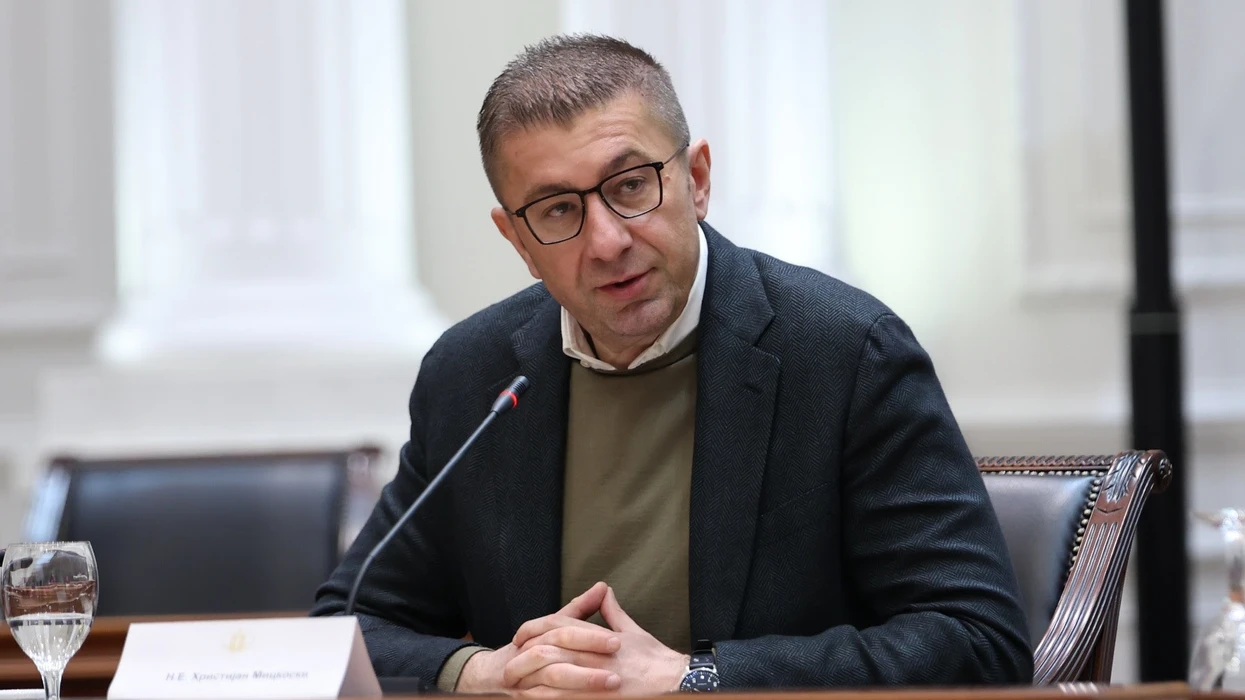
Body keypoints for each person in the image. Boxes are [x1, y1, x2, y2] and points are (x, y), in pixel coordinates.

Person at [312, 34, 1032, 694]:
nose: (607, 241)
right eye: (558, 210)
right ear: (518, 240)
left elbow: (976, 640)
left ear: (697, 178)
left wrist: (694, 678)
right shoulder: (472, 375)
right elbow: (348, 629)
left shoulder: (844, 353)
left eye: (631, 185)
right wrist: (482, 670)